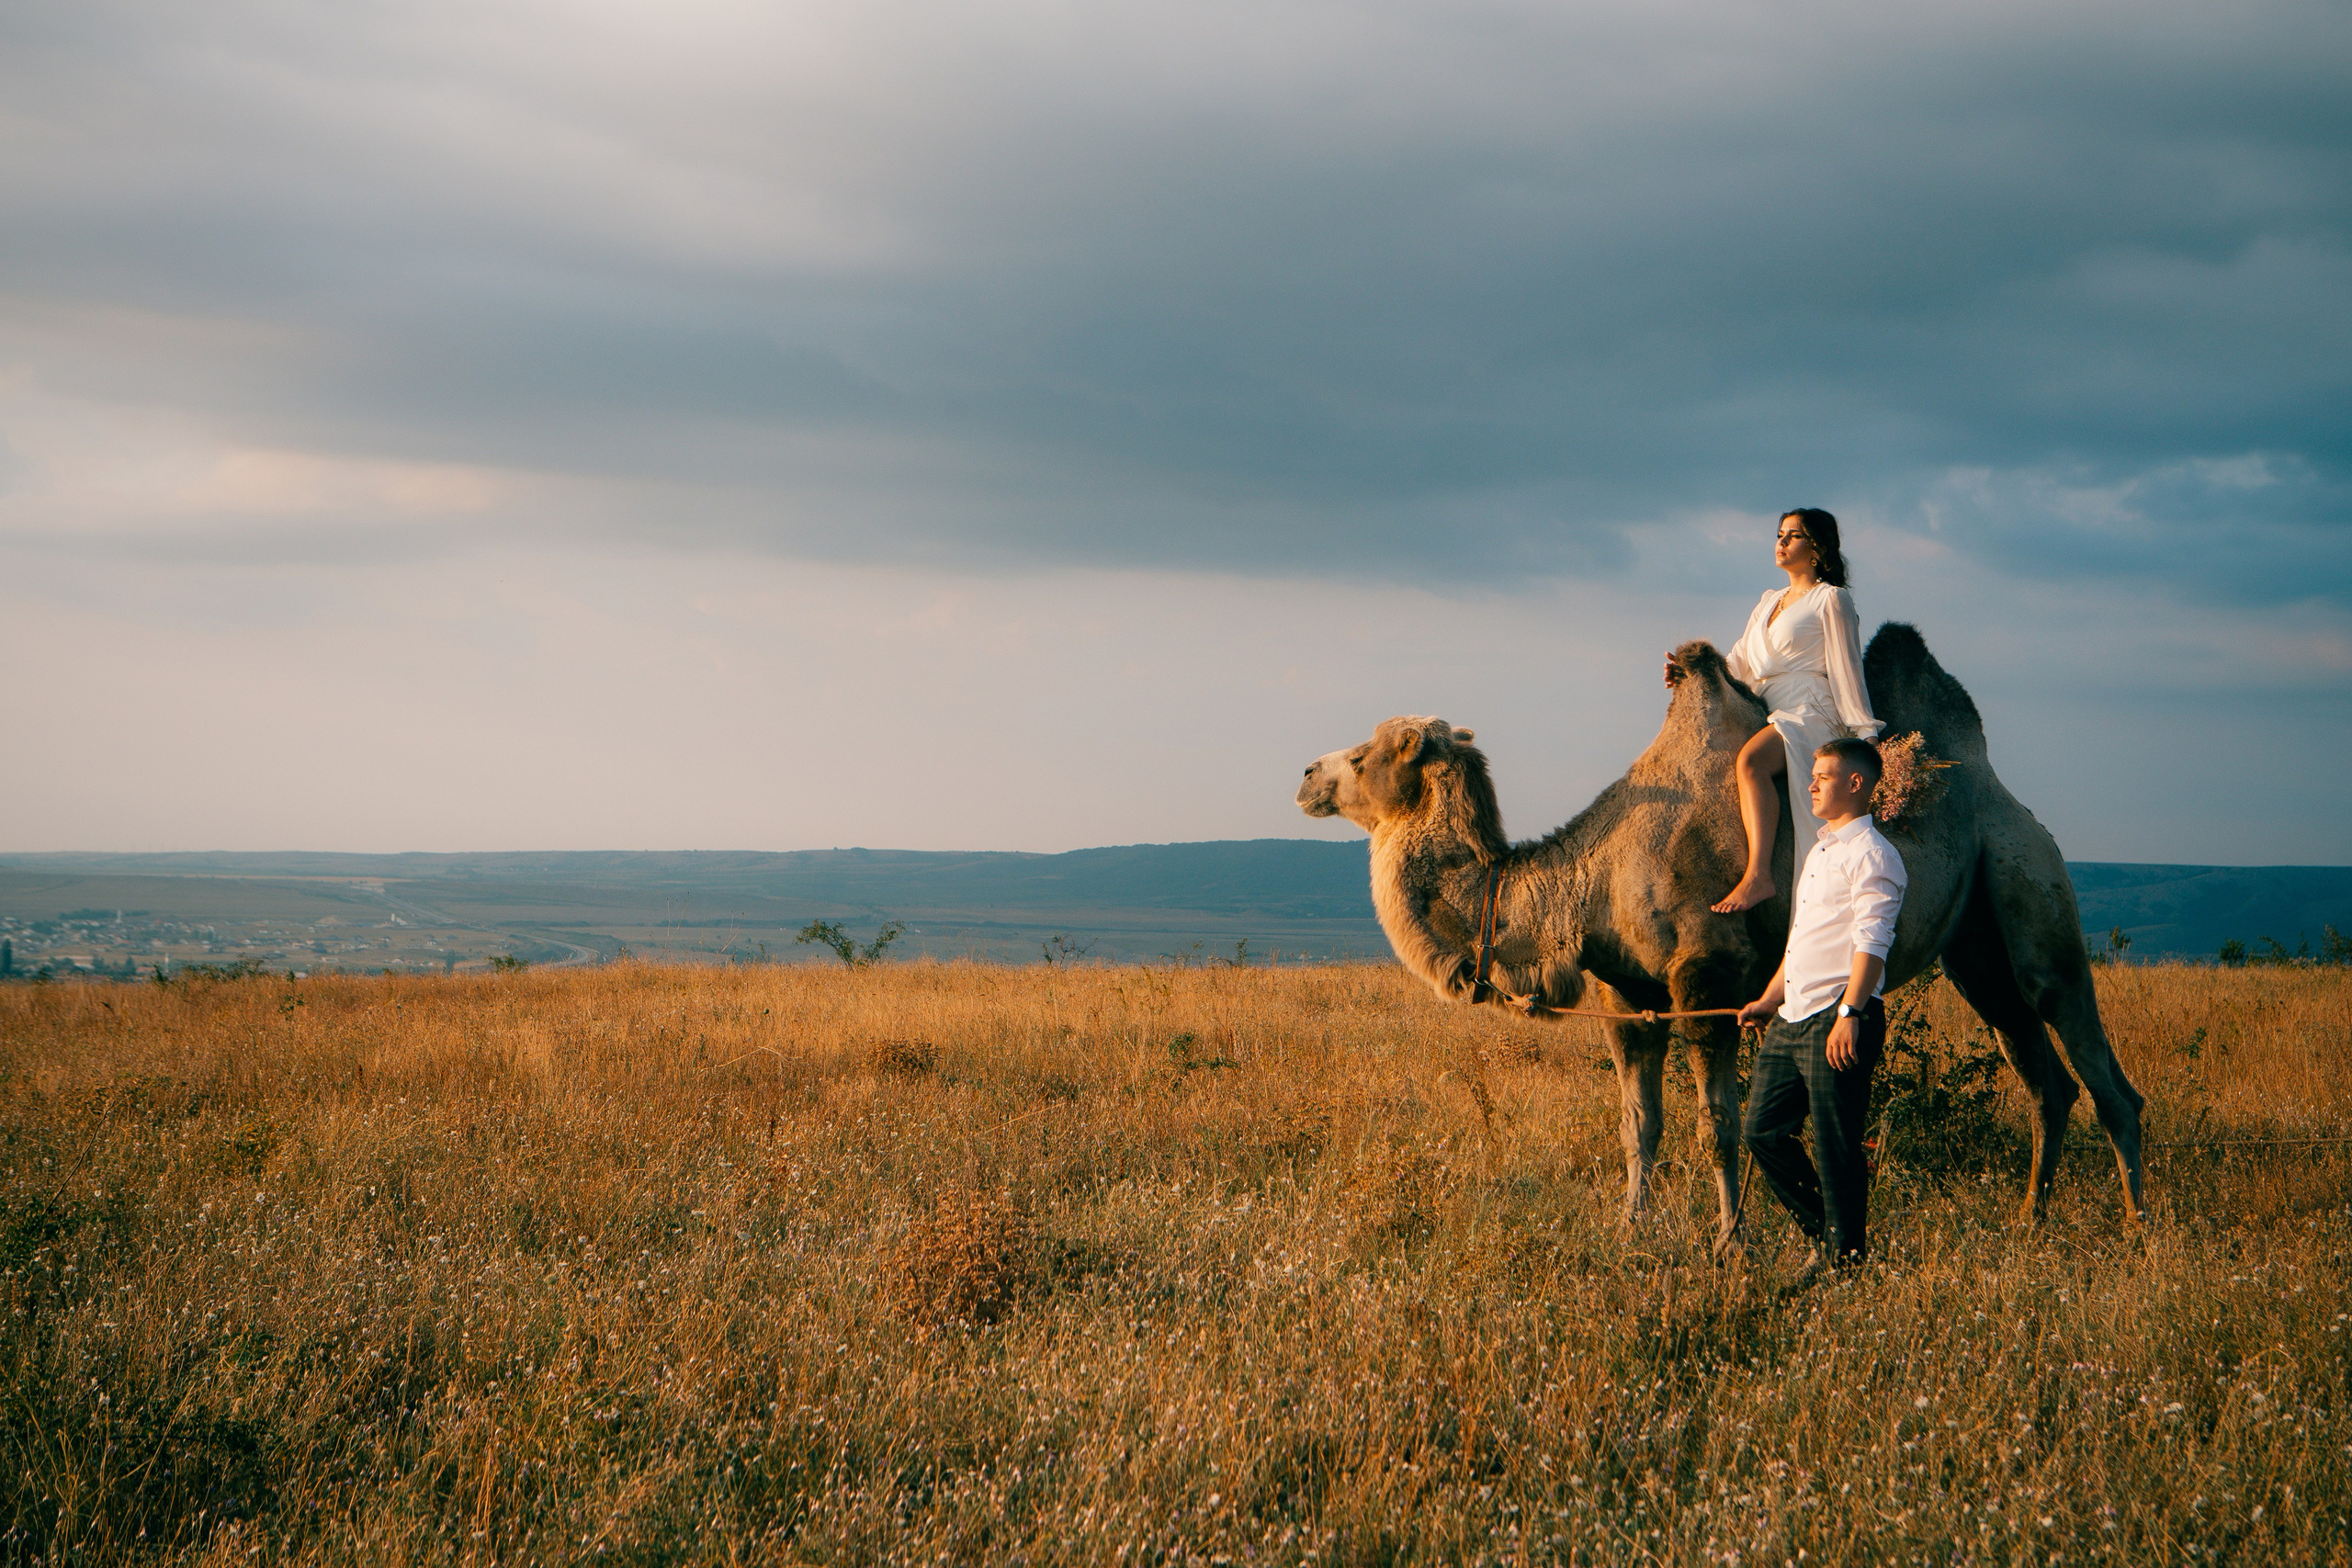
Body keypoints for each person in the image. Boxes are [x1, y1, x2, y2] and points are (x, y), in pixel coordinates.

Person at [1736, 738, 1907, 1269]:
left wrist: (1850, 1014)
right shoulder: (1821, 849)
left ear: (1855, 784)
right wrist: (1769, 998)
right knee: (1761, 1130)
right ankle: (1835, 1242)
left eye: (1823, 777)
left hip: (1838, 1017)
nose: (1810, 785)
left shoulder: (1875, 856)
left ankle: (1845, 1260)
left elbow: (1871, 944)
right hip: (1791, 1018)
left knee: (1836, 1146)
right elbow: (1804, 937)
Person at [1665, 507, 1883, 914]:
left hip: (1808, 709)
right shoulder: (1768, 602)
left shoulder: (1831, 599)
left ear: (1817, 547)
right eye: (1779, 534)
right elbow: (1738, 666)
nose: (1781, 542)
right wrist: (1690, 674)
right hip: (1764, 706)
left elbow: (1847, 667)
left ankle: (1759, 876)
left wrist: (1865, 735)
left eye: (1793, 536)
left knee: (1750, 762)